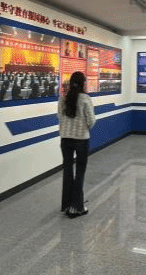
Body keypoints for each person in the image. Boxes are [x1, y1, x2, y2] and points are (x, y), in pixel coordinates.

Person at [57, 71, 96, 218]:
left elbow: (60, 117)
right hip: (81, 140)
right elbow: (91, 121)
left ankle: (67, 204)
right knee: (80, 172)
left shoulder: (63, 99)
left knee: (67, 172)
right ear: (83, 83)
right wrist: (82, 126)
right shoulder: (85, 99)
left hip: (65, 140)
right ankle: (77, 207)